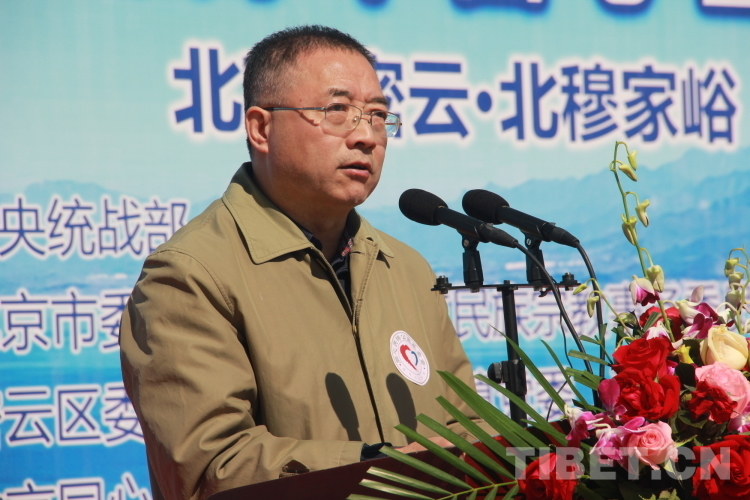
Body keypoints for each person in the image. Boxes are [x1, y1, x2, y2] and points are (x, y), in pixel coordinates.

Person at [120, 25, 485, 500]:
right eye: (337, 111)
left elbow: (466, 423)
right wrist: (381, 466)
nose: (366, 136)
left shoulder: (407, 268)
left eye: (378, 115)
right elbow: (212, 467)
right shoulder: (189, 275)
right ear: (261, 128)